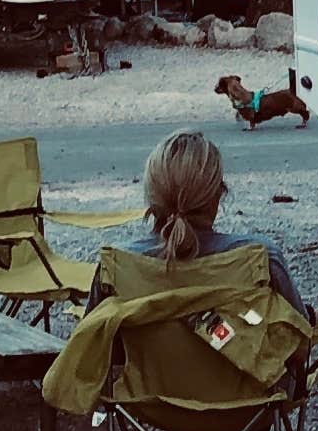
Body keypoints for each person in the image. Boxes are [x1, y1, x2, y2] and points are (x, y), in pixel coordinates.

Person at [128, 129, 305, 309]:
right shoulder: (261, 256)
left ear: (151, 197)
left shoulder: (117, 265)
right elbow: (299, 330)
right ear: (218, 195)